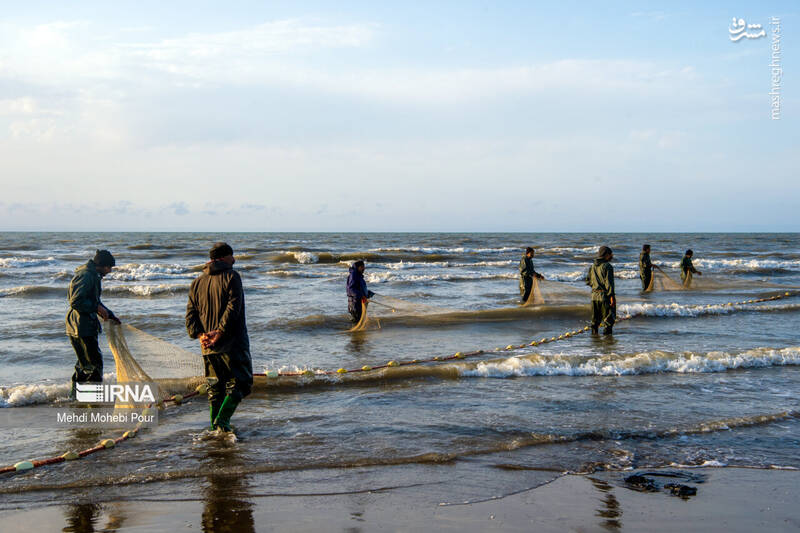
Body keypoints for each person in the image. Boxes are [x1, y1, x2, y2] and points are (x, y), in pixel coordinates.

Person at [186, 242, 253, 432]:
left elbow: (190, 314)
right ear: (223, 258)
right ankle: (222, 422)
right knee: (242, 383)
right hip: (232, 342)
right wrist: (220, 331)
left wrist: (200, 335)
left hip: (207, 345)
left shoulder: (197, 282)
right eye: (232, 255)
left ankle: (216, 428)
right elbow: (234, 306)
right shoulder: (232, 276)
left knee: (215, 388)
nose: (235, 259)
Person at [66, 250, 120, 399]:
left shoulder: (92, 275)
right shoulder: (87, 275)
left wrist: (109, 314)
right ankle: (91, 401)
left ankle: (76, 398)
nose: (109, 271)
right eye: (109, 267)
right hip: (81, 327)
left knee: (84, 366)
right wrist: (96, 308)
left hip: (79, 326)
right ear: (101, 265)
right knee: (94, 366)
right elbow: (76, 301)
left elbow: (94, 301)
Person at [585, 246, 616, 335]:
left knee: (595, 322)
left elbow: (588, 281)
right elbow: (609, 283)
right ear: (606, 255)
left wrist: (595, 287)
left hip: (594, 297)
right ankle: (608, 345)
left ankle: (595, 344)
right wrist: (612, 297)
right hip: (605, 297)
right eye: (611, 254)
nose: (612, 256)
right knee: (608, 322)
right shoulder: (608, 266)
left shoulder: (592, 266)